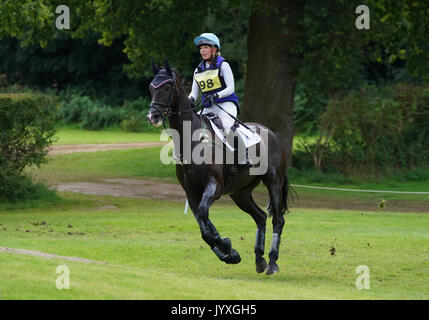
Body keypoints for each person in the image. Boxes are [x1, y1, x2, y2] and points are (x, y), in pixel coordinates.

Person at [188, 33, 252, 167]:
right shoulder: (198, 70)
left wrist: (217, 95)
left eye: (206, 47)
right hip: (208, 107)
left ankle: (244, 157)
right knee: (191, 127)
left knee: (227, 127)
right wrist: (189, 100)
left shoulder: (223, 65)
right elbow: (193, 93)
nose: (203, 51)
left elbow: (231, 88)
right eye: (201, 48)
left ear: (214, 49)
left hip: (226, 104)